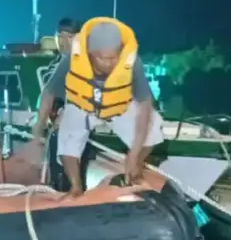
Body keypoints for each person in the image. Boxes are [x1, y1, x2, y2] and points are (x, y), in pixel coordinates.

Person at [33, 17, 164, 197]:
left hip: (116, 103)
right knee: (67, 139)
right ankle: (75, 188)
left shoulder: (132, 61)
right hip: (82, 103)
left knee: (154, 126)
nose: (109, 63)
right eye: (102, 58)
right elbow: (49, 92)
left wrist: (133, 156)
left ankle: (135, 171)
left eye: (113, 58)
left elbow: (145, 102)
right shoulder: (72, 59)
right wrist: (39, 124)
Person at [33, 18, 82, 190]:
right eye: (60, 37)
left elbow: (48, 92)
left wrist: (38, 125)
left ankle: (66, 193)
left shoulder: (71, 59)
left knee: (63, 173)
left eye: (69, 37)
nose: (64, 42)